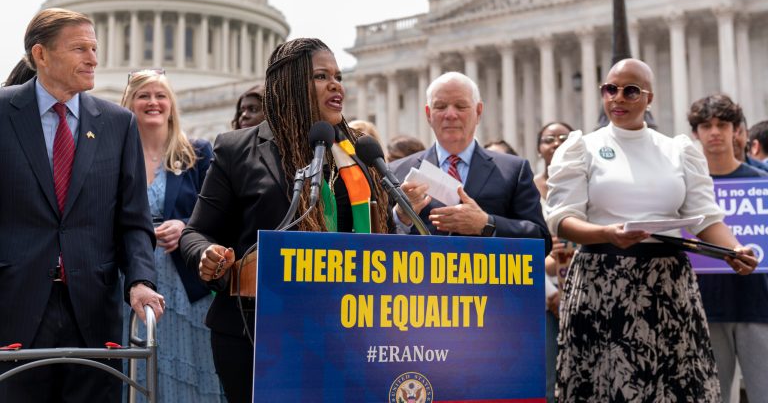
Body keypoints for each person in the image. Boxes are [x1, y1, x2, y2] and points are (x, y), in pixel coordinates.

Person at [179, 38, 391, 402]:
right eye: (321, 76)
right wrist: (207, 254)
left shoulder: (358, 153)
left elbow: (382, 233)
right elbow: (196, 231)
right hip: (255, 330)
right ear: (289, 83)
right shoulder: (237, 149)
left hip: (348, 328)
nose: (336, 84)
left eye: (338, 76)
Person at [546, 58, 757, 401]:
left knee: (675, 387)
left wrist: (734, 250)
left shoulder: (677, 150)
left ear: (648, 98)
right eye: (610, 89)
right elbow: (563, 219)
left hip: (668, 285)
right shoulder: (580, 147)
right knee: (606, 387)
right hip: (602, 281)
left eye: (630, 91)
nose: (618, 98)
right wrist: (607, 234)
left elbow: (704, 217)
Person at [0, 8, 164, 402]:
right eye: (80, 49)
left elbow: (133, 220)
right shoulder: (3, 113)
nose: (93, 59)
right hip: (13, 307)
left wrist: (141, 280)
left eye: (94, 48)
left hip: (93, 311)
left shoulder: (117, 122)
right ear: (41, 55)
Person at [120, 70, 222, 402]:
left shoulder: (198, 153)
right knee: (134, 364)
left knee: (190, 364)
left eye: (160, 96)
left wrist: (186, 226)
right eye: (144, 96)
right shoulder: (116, 155)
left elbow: (219, 212)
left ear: (171, 104)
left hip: (185, 283)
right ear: (129, 103)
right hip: (130, 278)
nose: (153, 103)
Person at [390, 71, 550, 251]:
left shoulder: (513, 170)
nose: (450, 114)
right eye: (441, 106)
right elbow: (372, 246)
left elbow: (541, 240)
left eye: (460, 106)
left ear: (478, 111)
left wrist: (487, 224)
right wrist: (401, 216)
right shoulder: (397, 171)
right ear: (428, 114)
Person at [688, 94, 768, 403]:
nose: (715, 132)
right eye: (706, 125)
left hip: (758, 305)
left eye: (722, 124)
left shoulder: (762, 182)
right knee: (712, 397)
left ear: (736, 130)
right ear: (696, 133)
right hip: (706, 306)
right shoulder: (687, 186)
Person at [532, 121, 574, 403]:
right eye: (549, 139)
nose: (556, 143)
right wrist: (549, 291)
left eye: (564, 137)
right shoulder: (527, 189)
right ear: (539, 147)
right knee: (547, 377)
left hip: (583, 287)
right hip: (542, 294)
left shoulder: (588, 185)